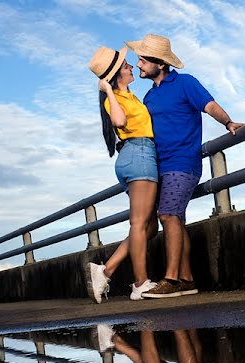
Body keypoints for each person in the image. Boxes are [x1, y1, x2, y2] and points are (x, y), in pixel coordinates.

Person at [124, 34, 245, 299]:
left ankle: (171, 279)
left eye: (143, 60)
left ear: (161, 63)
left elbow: (209, 105)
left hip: (183, 162)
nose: (140, 64)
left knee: (168, 215)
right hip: (159, 165)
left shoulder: (186, 83)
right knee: (174, 218)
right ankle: (188, 280)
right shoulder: (149, 97)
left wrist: (228, 122)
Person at [86, 46, 159, 304]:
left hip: (140, 155)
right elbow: (118, 122)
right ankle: (140, 285)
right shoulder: (113, 99)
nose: (131, 67)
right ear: (117, 75)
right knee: (139, 224)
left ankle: (106, 270)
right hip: (138, 155)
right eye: (126, 65)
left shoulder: (132, 97)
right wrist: (108, 90)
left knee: (149, 227)